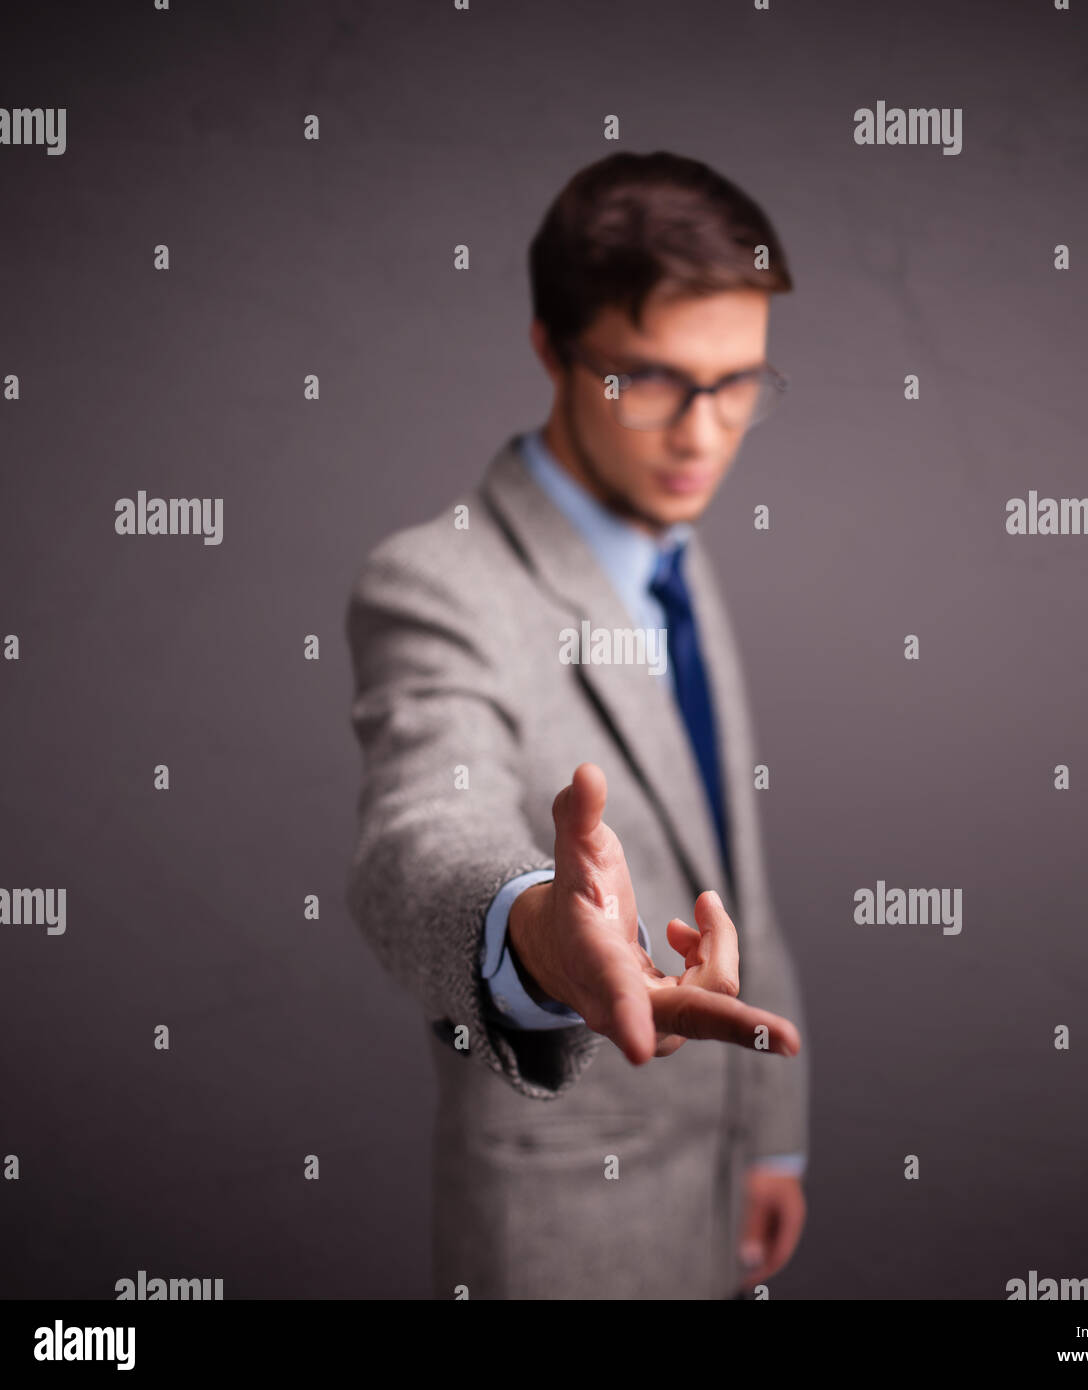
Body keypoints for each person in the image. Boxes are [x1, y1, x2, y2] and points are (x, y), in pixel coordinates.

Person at [345, 150, 809, 1299]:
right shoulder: (435, 581)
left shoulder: (673, 559)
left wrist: (770, 1132)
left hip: (718, 1183)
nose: (704, 435)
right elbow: (417, 837)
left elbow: (728, 871)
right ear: (553, 349)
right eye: (650, 380)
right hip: (564, 1226)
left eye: (739, 382)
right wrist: (541, 930)